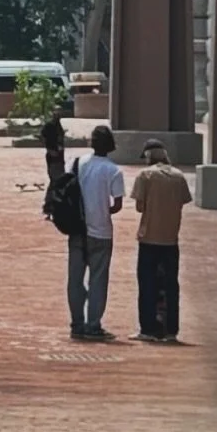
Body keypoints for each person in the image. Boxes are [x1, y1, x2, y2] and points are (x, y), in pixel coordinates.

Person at [130, 139, 192, 343]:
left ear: (148, 156)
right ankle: (170, 330)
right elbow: (183, 201)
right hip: (171, 239)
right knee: (170, 285)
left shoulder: (145, 176)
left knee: (147, 284)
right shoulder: (178, 176)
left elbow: (140, 207)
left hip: (149, 237)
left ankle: (147, 329)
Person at [68, 124, 124, 342]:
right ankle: (93, 325)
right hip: (101, 232)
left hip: (77, 230)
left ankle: (76, 324)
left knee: (75, 279)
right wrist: (102, 208)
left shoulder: (78, 163)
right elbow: (117, 204)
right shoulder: (113, 170)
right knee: (98, 280)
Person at [41, 104, 66, 182]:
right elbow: (43, 137)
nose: (59, 114)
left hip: (60, 154)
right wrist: (49, 150)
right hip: (52, 154)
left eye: (60, 112)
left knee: (60, 176)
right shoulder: (49, 125)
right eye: (57, 112)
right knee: (54, 177)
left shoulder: (59, 125)